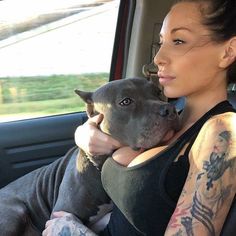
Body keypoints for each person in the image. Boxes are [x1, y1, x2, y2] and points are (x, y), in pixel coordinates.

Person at [42, 0, 236, 235]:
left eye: (179, 41)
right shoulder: (172, 115)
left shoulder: (223, 131)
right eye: (162, 42)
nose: (158, 58)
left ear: (227, 52)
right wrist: (86, 135)